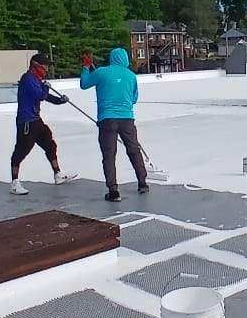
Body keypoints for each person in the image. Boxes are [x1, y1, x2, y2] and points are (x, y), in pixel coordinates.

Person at [79, 47, 149, 202]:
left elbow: (84, 84)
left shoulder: (101, 72)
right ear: (125, 59)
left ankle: (113, 191)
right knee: (133, 150)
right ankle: (142, 183)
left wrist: (86, 68)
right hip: (127, 119)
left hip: (107, 119)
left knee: (109, 155)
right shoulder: (131, 76)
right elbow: (134, 99)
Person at [10, 54, 72, 196]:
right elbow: (40, 95)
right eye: (45, 65)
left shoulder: (37, 80)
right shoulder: (28, 79)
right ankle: (14, 183)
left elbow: (46, 97)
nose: (47, 68)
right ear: (36, 65)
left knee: (50, 144)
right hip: (26, 122)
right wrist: (46, 87)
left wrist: (60, 100)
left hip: (36, 120)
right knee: (21, 151)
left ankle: (58, 174)